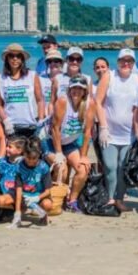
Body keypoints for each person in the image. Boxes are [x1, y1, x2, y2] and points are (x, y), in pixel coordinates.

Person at [95, 49, 138, 211]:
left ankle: (119, 199)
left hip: (129, 135)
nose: (126, 64)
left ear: (134, 63)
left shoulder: (137, 79)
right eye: (123, 60)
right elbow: (98, 102)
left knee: (122, 167)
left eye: (130, 61)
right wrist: (103, 127)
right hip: (109, 134)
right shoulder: (109, 76)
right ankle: (110, 198)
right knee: (110, 166)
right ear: (118, 61)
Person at [49, 75, 97, 213]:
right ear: (69, 90)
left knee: (83, 169)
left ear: (85, 91)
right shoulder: (63, 101)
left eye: (80, 89)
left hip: (69, 142)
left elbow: (87, 132)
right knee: (62, 168)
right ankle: (57, 198)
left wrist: (84, 155)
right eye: (74, 88)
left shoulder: (90, 103)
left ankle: (72, 200)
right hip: (50, 141)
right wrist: (58, 153)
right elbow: (55, 128)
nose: (76, 91)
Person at [0, 43, 45, 138]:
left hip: (31, 126)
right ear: (7, 59)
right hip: (11, 127)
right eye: (11, 56)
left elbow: (40, 100)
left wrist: (41, 121)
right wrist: (5, 121)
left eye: (18, 56)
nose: (15, 59)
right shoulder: (0, 78)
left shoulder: (32, 75)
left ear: (22, 59)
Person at [11, 137, 53, 227]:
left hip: (38, 196)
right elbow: (18, 189)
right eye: (28, 157)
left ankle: (43, 215)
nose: (30, 161)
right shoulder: (19, 167)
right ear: (24, 154)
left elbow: (48, 191)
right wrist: (17, 212)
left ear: (39, 155)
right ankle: (18, 213)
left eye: (34, 158)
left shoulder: (44, 167)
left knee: (48, 204)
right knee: (4, 200)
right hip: (24, 196)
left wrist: (37, 198)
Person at [0, 135, 26, 214]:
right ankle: (13, 209)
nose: (7, 148)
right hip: (4, 192)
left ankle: (21, 207)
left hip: (20, 193)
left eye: (10, 147)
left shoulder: (24, 163)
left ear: (19, 150)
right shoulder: (1, 162)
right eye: (7, 146)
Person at [38, 49, 65, 118]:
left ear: (61, 63)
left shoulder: (66, 79)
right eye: (50, 61)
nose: (53, 64)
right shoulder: (40, 79)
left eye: (56, 61)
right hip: (45, 117)